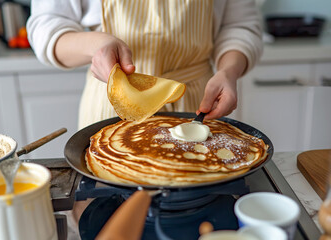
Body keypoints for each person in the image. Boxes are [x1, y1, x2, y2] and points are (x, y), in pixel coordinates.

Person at [27, 0, 263, 238]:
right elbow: (45, 28)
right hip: (116, 110)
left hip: (198, 103)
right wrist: (98, 45)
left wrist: (229, 71)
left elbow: (240, 26)